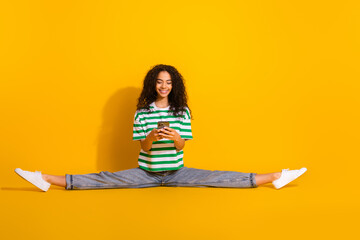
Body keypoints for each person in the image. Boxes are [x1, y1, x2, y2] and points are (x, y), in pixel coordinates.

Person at [14, 64, 307, 192]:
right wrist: (151, 138)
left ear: (173, 86)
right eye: (159, 82)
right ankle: (45, 179)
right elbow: (142, 148)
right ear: (152, 84)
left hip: (178, 172)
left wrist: (177, 137)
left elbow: (181, 148)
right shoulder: (142, 112)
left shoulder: (183, 111)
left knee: (218, 178)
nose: (164, 86)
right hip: (146, 173)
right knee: (104, 180)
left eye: (168, 82)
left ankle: (277, 176)